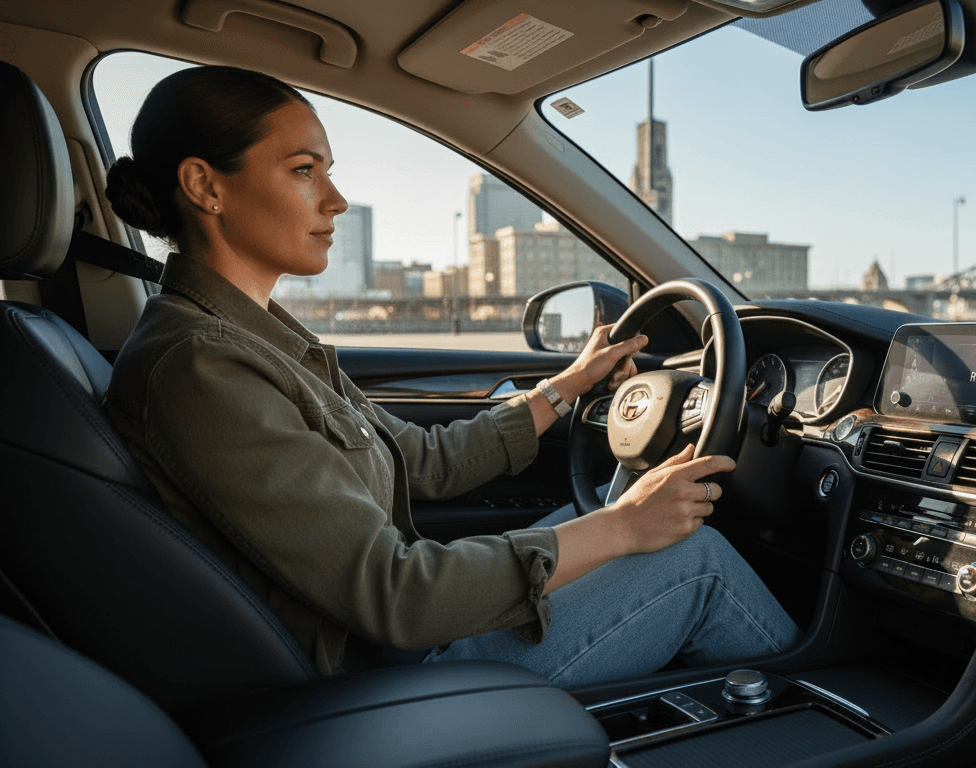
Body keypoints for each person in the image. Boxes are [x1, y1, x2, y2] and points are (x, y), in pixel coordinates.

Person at [102, 65, 799, 685]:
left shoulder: (259, 340)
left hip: (394, 643)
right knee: (695, 558)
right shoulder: (201, 368)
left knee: (606, 515)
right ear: (206, 186)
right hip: (380, 674)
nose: (335, 199)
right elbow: (395, 594)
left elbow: (419, 459)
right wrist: (623, 528)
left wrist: (566, 388)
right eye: (305, 170)